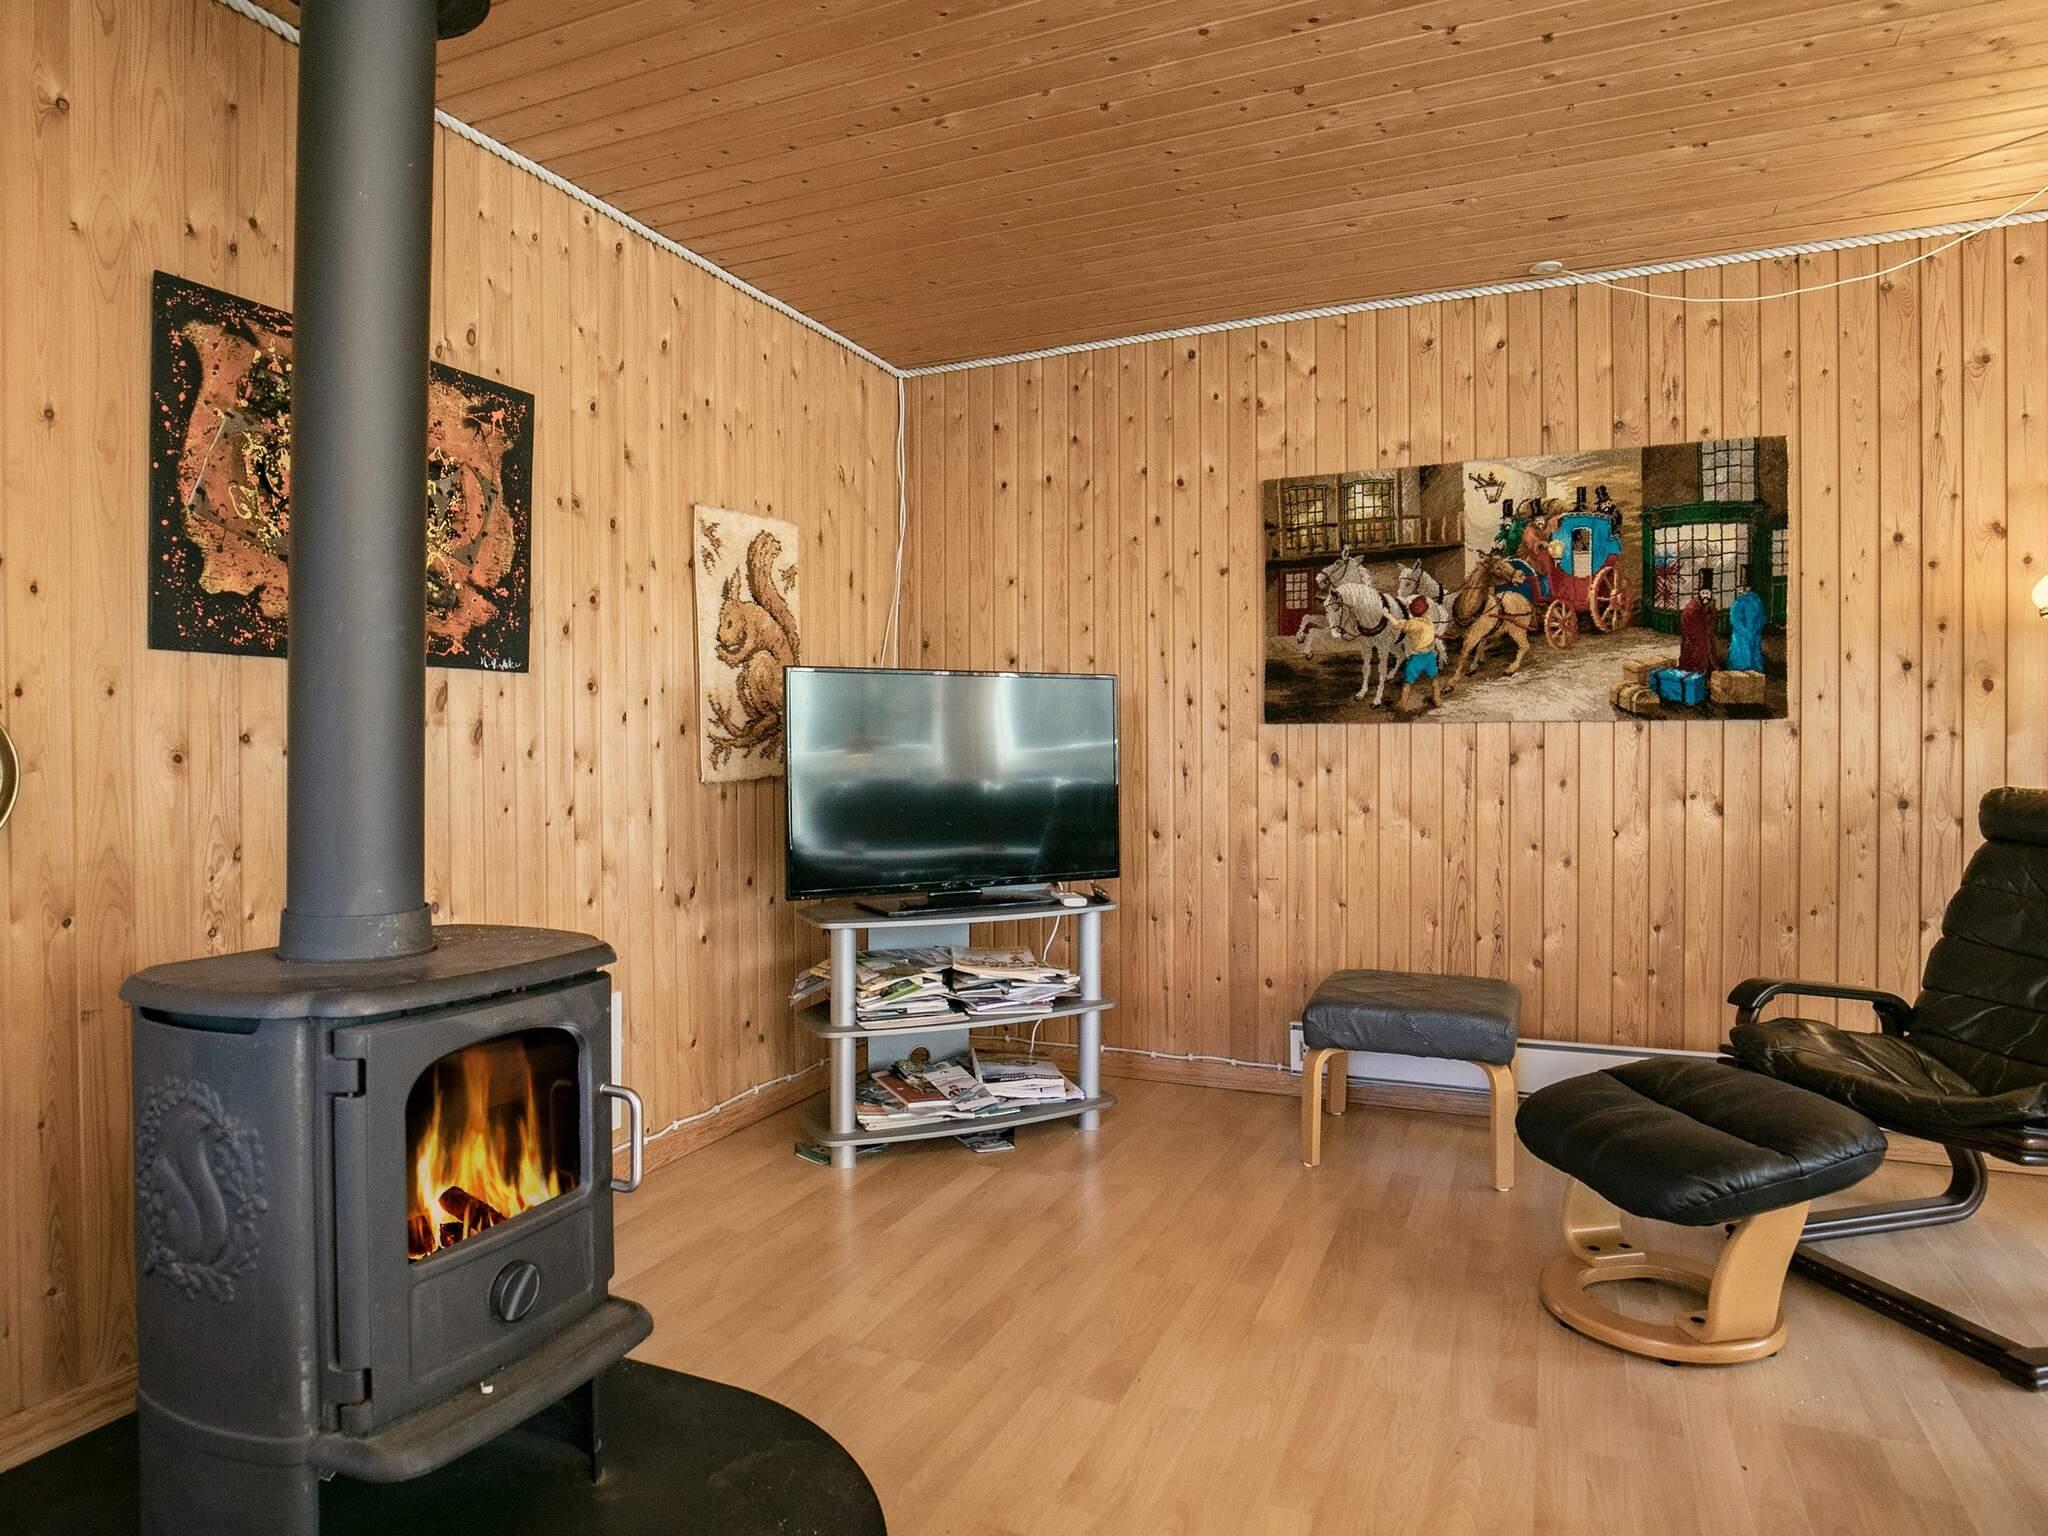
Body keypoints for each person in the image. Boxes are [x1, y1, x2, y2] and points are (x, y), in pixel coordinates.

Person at [1394, 596, 1449, 712]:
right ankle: (1437, 699)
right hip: (1429, 656)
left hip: (1417, 658)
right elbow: (1428, 634)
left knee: (1408, 682)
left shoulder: (1413, 624)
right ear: (1425, 611)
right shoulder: (1429, 621)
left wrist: (1387, 615)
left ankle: (1403, 702)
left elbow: (1397, 624)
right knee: (1434, 678)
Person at [1678, 569, 1719, 674]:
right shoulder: (1691, 610)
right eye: (1703, 593)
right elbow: (1694, 631)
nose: (1706, 596)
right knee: (1698, 652)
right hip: (1694, 644)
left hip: (1706, 642)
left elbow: (1712, 622)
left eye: (1708, 593)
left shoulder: (1711, 605)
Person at [1728, 585, 1767, 672]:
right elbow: (1762, 619)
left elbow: (1734, 619)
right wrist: (1755, 630)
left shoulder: (1740, 602)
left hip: (1742, 635)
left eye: (1741, 588)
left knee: (1742, 656)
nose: (1739, 591)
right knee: (1752, 655)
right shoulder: (1757, 601)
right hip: (1751, 634)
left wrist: (1746, 632)